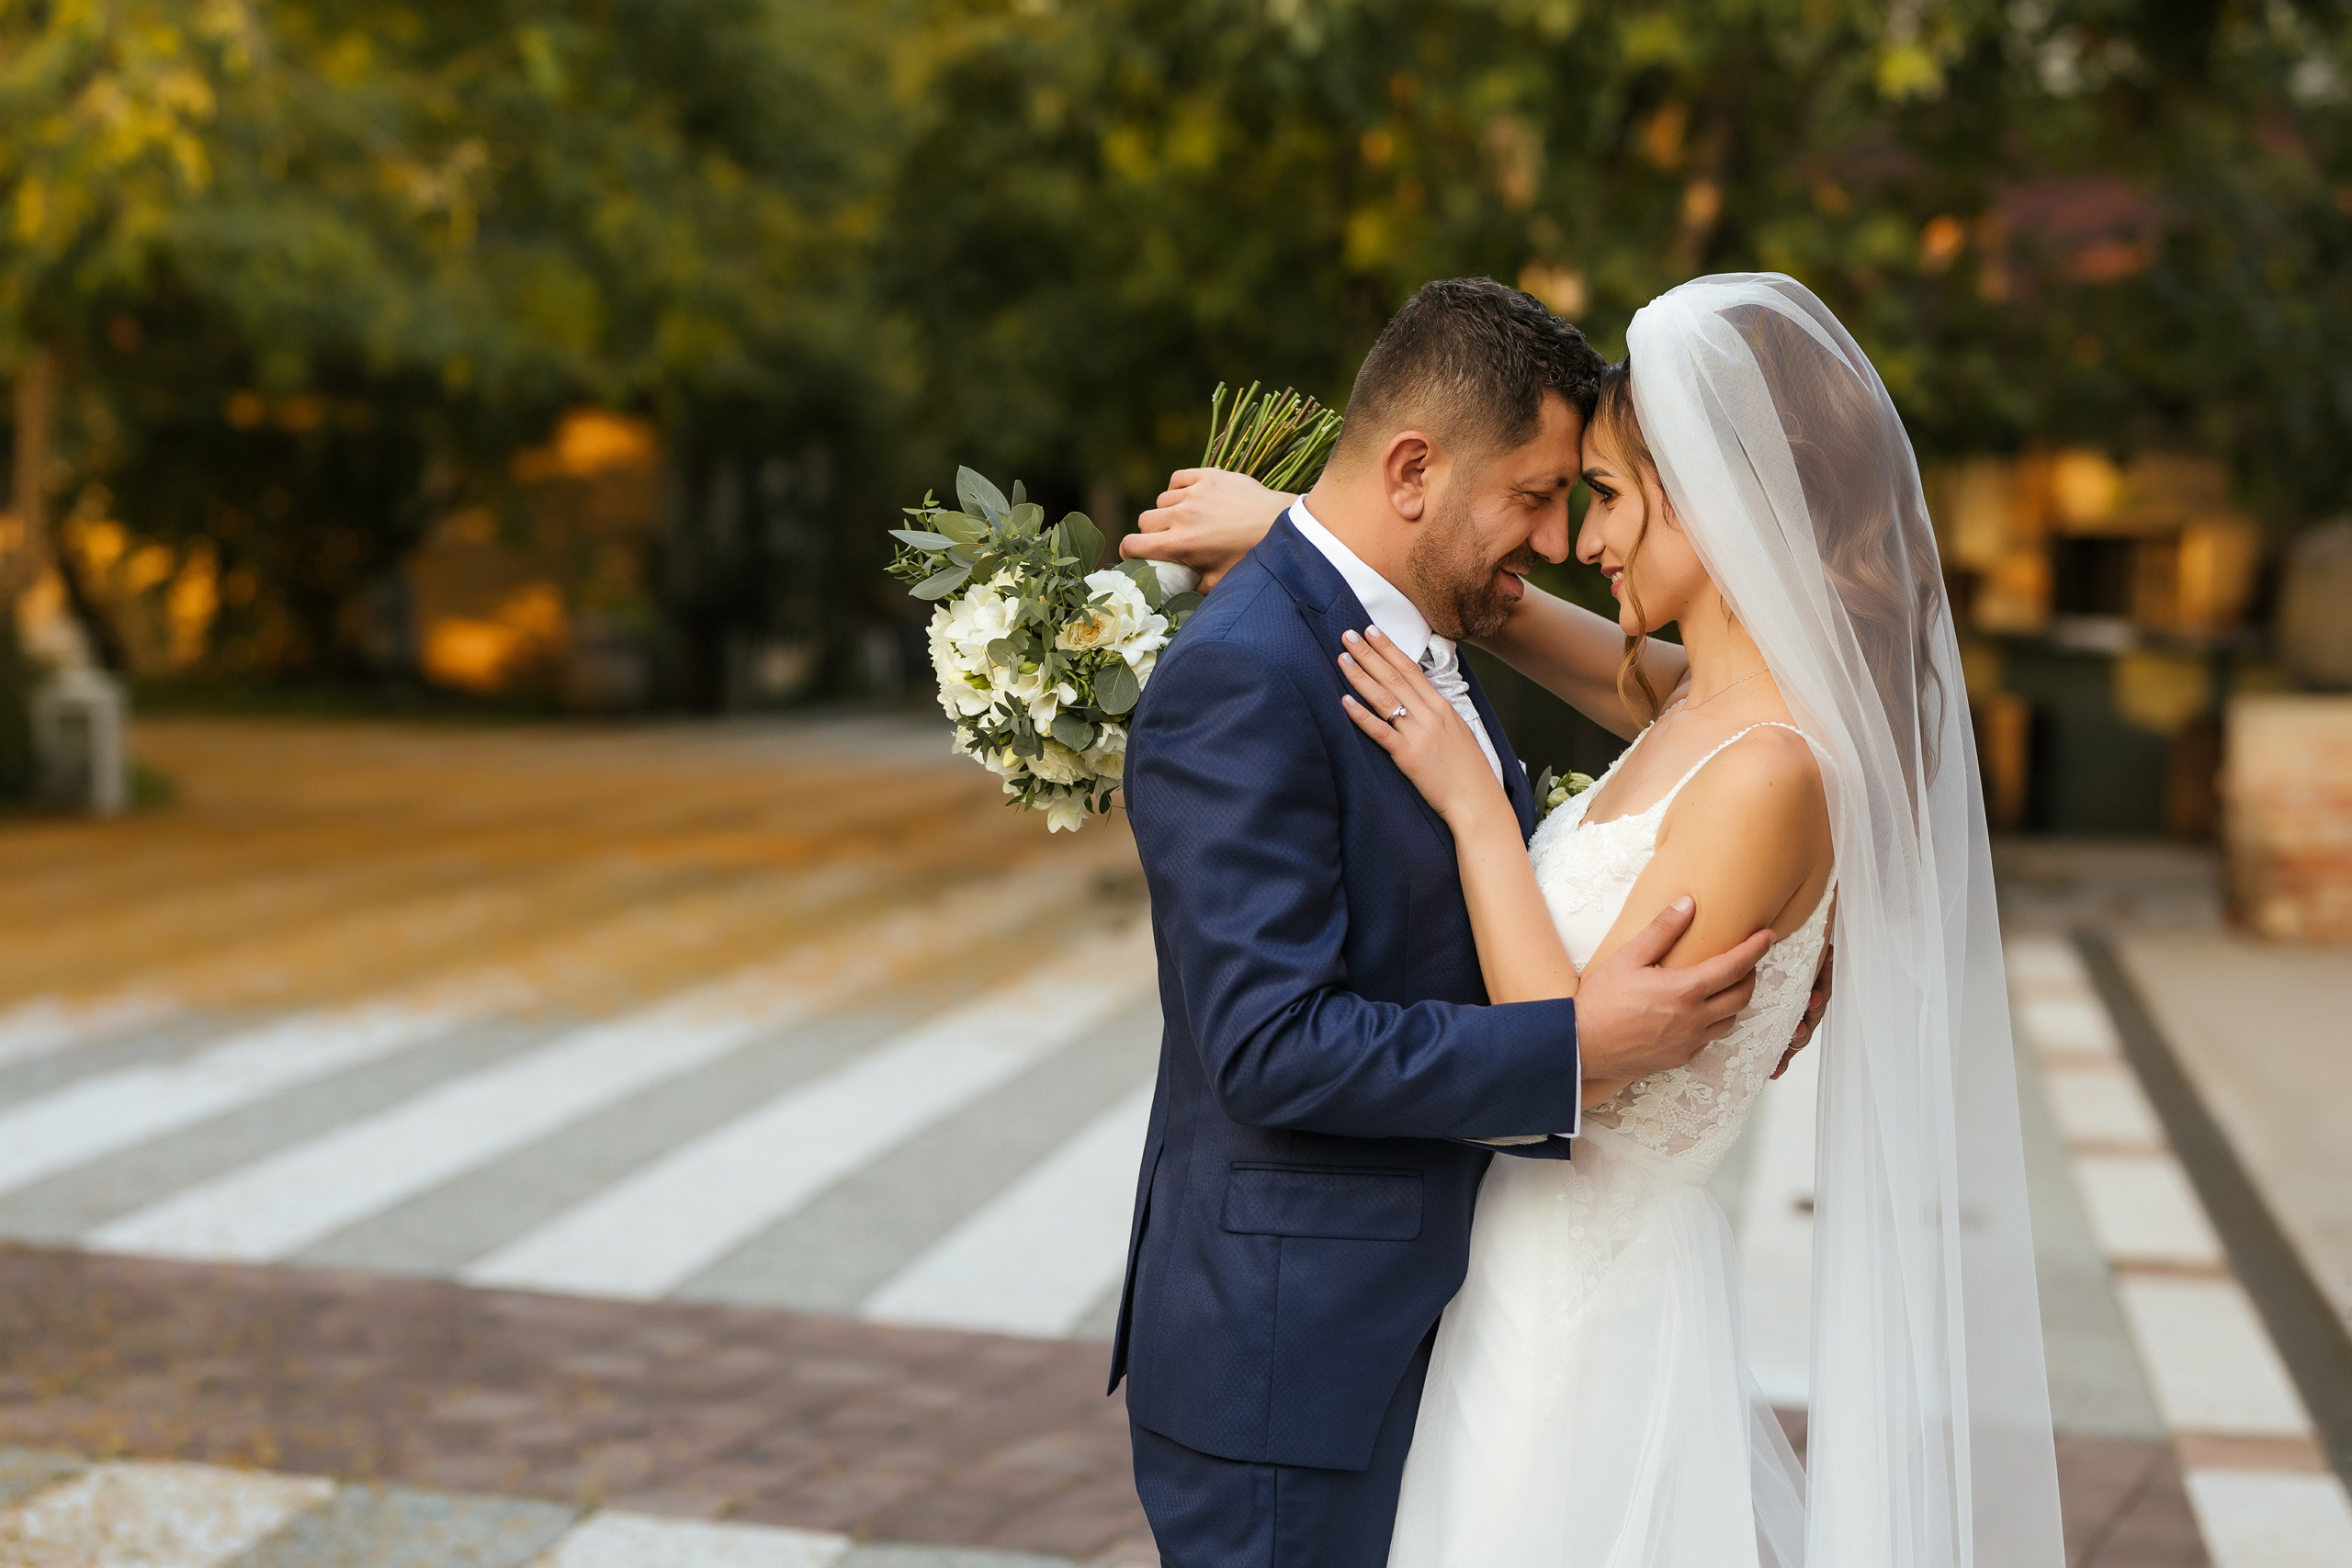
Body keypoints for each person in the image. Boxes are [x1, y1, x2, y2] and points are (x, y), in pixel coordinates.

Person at [1123, 275, 2064, 1566]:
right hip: (1479, 1292)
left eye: (1603, 495)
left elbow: (1571, 1038)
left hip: (1573, 1296)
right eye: (1559, 496)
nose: (1577, 539)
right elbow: (1505, 613)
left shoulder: (1767, 768)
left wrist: (1477, 809)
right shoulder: (1701, 711)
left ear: (1720, 507)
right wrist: (1302, 529)